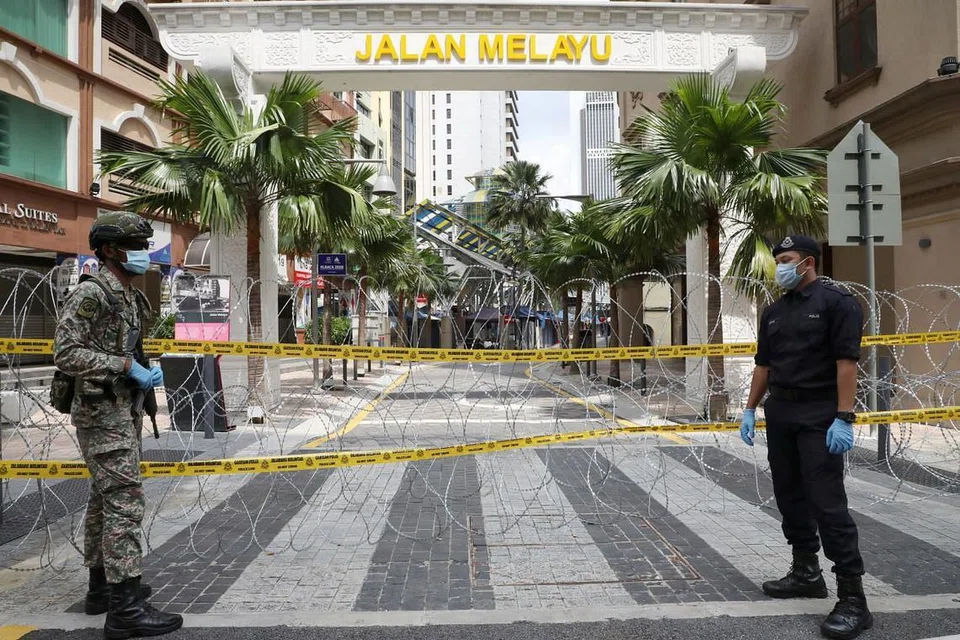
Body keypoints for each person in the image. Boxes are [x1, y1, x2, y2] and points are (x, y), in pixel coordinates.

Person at [54, 212, 183, 639]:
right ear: (109, 250)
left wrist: (142, 373)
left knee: (102, 501)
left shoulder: (127, 294)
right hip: (101, 414)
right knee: (125, 502)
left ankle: (101, 590)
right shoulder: (93, 293)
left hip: (120, 410)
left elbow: (128, 347)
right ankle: (125, 610)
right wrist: (125, 365)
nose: (144, 254)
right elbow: (66, 352)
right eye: (135, 245)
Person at [740, 234, 871, 640]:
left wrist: (844, 416)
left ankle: (852, 598)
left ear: (809, 262)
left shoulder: (837, 303)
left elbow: (846, 363)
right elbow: (764, 364)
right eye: (778, 258)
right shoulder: (774, 311)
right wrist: (749, 407)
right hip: (781, 410)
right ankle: (806, 571)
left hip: (819, 412)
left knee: (826, 502)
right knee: (790, 495)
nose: (781, 264)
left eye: (788, 258)